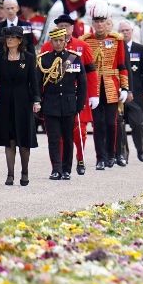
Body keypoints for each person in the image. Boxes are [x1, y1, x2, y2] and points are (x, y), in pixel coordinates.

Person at [41, 15, 98, 175]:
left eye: (66, 26)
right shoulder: (45, 54)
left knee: (68, 137)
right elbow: (40, 80)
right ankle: (56, 169)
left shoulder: (77, 54)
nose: (58, 42)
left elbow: (84, 80)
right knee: (53, 139)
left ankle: (67, 169)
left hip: (69, 102)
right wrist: (39, 101)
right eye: (60, 26)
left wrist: (82, 101)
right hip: (51, 103)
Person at [80, 0, 129, 170]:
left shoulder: (116, 39)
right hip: (93, 88)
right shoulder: (85, 40)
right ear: (92, 23)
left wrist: (124, 87)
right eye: (96, 21)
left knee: (111, 122)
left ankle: (112, 154)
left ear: (107, 22)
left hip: (111, 86)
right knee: (98, 124)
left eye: (102, 21)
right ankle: (100, 157)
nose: (99, 25)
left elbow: (122, 66)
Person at [0, 26, 40, 186]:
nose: (9, 40)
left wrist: (37, 100)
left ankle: (24, 172)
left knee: (24, 140)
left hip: (23, 102)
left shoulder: (29, 58)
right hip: (4, 102)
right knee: (9, 139)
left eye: (13, 37)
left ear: (19, 40)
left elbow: (34, 81)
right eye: (7, 37)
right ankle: (10, 174)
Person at [118, 20, 143, 163]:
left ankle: (140, 148)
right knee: (119, 124)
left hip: (136, 94)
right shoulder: (115, 48)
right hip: (119, 93)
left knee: (138, 123)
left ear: (132, 31)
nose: (124, 33)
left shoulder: (140, 49)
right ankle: (123, 151)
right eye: (122, 31)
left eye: (127, 30)